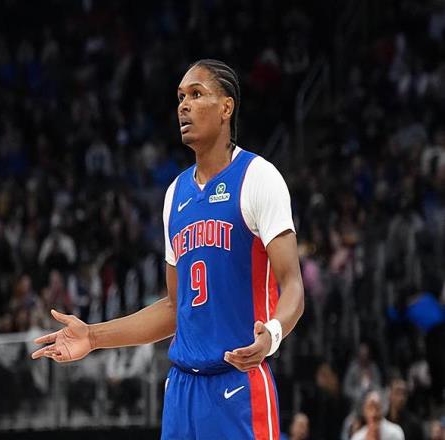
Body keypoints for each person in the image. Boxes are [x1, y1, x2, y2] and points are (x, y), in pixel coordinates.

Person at [32, 59, 304, 439]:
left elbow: (293, 285)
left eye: (196, 94)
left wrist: (272, 334)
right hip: (181, 392)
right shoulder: (176, 194)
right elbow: (175, 308)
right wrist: (93, 337)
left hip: (237, 384)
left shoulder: (258, 177)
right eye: (180, 97)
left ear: (226, 107)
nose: (183, 106)